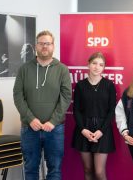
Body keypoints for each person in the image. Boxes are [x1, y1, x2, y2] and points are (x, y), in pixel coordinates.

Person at [13, 30, 72, 180]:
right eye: (41, 43)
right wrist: (30, 119)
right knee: (31, 169)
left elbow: (66, 97)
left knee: (55, 170)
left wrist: (53, 121)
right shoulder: (24, 69)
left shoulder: (62, 70)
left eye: (48, 43)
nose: (44, 46)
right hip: (29, 128)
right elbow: (18, 96)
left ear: (53, 46)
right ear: (36, 46)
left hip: (55, 129)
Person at [72, 52, 116, 180]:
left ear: (104, 68)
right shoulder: (80, 85)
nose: (97, 67)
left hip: (103, 131)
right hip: (84, 129)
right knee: (88, 170)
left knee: (99, 172)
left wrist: (101, 131)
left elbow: (111, 111)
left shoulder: (109, 85)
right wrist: (83, 130)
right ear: (88, 64)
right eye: (94, 63)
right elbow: (76, 110)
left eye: (101, 65)